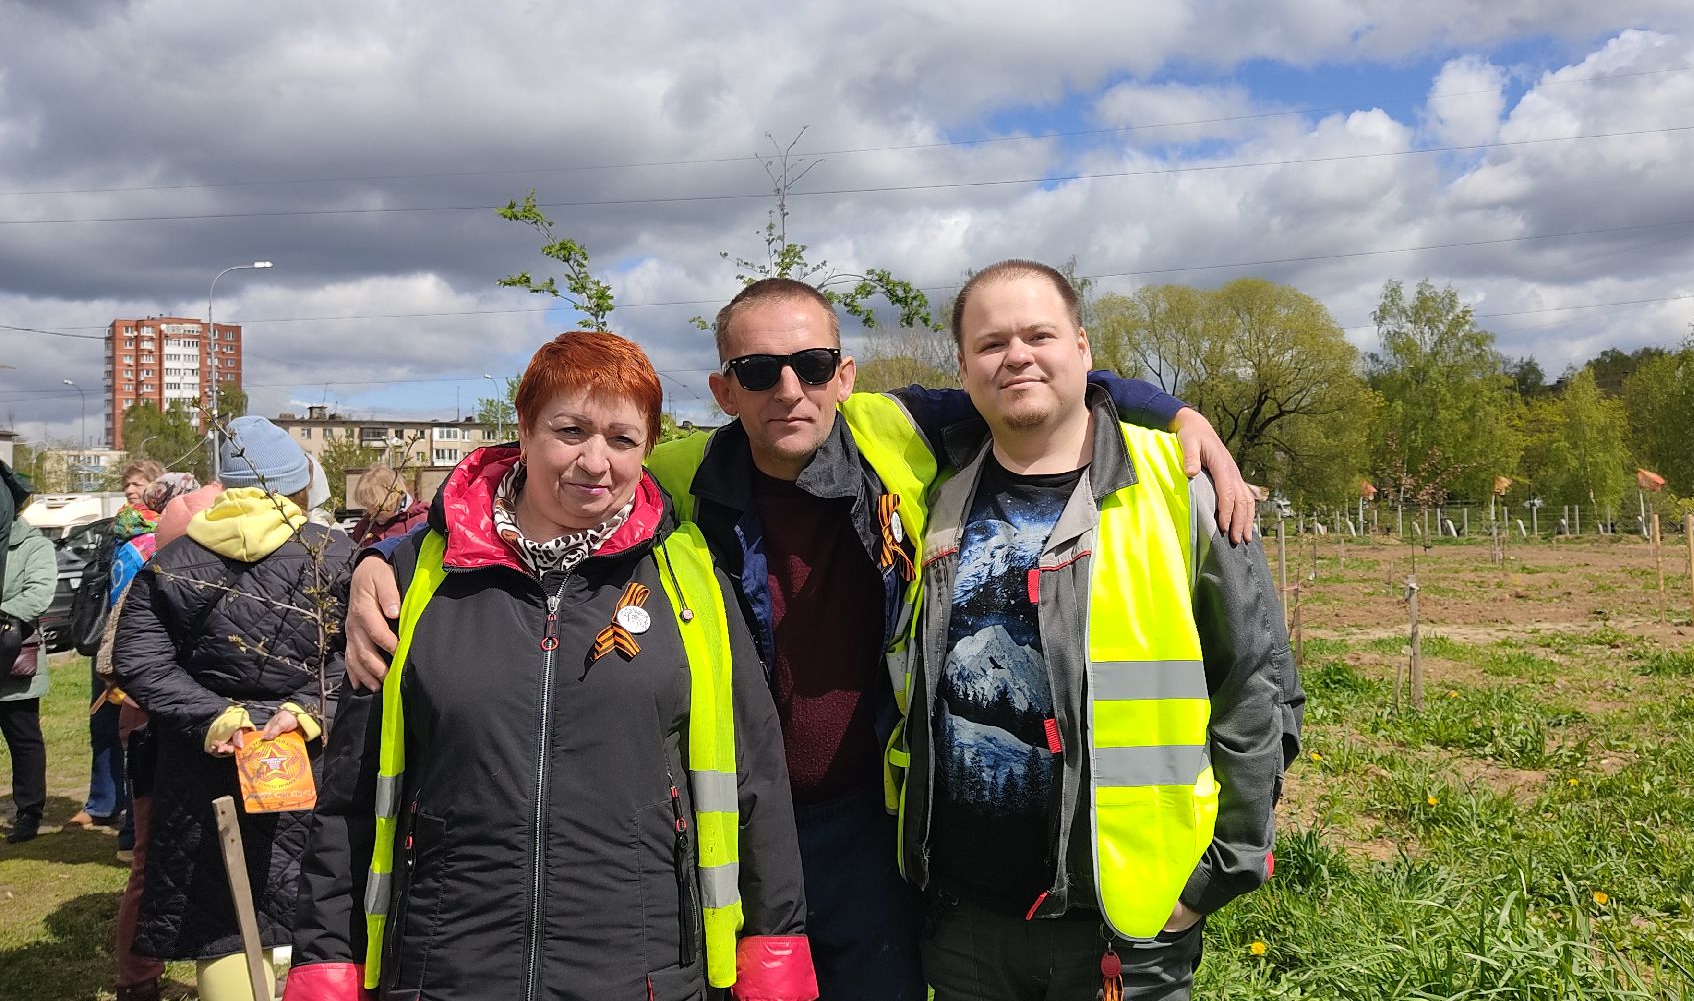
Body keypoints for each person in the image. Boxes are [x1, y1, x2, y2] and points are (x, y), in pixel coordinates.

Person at [340, 279, 1255, 999]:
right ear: (721, 389)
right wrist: (388, 553)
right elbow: (529, 495)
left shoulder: (900, 433)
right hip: (718, 821)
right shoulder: (676, 472)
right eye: (759, 371)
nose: (790, 388)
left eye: (813, 364)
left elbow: (1040, 378)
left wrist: (1177, 415)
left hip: (873, 825)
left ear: (845, 373)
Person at [285, 331, 817, 1001]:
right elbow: (351, 796)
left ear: (648, 447)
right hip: (445, 970)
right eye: (570, 431)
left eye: (623, 439)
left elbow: (756, 781)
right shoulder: (414, 579)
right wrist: (325, 959)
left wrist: (775, 948)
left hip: (642, 972)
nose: (595, 461)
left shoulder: (691, 583)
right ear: (525, 430)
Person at [899, 260, 1304, 1001]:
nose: (1016, 355)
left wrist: (1226, 867)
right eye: (991, 344)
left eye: (1038, 334)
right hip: (962, 928)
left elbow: (1260, 685)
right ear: (962, 368)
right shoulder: (933, 496)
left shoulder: (1181, 489)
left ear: (1084, 349)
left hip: (1128, 928)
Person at [115, 419, 352, 1000]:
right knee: (308, 897)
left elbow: (138, 659)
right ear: (297, 484)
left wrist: (215, 715)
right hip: (309, 755)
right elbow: (364, 652)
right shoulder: (335, 553)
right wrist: (304, 711)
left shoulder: (173, 559)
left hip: (204, 762)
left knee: (218, 914)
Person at [101, 473, 213, 1001]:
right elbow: (122, 657)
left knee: (173, 856)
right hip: (156, 729)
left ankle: (153, 976)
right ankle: (139, 979)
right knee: (154, 858)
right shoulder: (155, 572)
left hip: (179, 727)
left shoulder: (165, 564)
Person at [74, 460, 166, 835]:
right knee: (103, 725)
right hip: (107, 636)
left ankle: (135, 821)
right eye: (127, 483)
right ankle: (102, 802)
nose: (130, 489)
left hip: (141, 638)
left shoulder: (166, 527)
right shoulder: (117, 529)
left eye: (138, 483)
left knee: (137, 729)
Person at [2, 475, 57, 843]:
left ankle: (28, 812)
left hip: (11, 658)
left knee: (23, 740)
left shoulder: (33, 545)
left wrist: (2, 613)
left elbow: (39, 594)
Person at [346, 465, 428, 547]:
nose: (371, 511)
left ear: (394, 497)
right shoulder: (364, 527)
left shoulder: (421, 521)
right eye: (367, 505)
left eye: (378, 506)